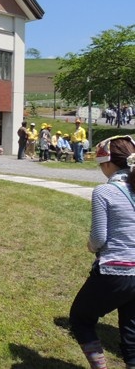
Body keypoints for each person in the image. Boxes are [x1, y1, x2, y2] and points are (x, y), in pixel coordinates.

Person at [69, 135, 135, 369]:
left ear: (108, 164)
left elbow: (99, 237)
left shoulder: (104, 192)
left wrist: (91, 246)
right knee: (130, 328)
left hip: (115, 270)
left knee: (80, 319)